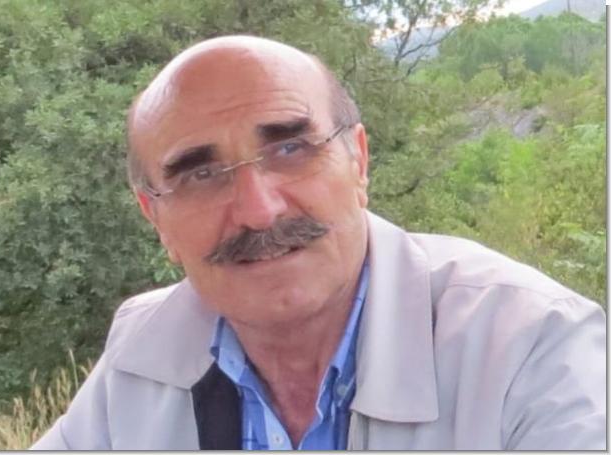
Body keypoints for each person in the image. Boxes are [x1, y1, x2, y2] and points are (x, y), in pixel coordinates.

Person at [30, 35, 605, 450]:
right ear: (155, 216)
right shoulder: (140, 352)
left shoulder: (531, 345)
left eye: (290, 149)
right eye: (201, 175)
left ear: (359, 161)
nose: (259, 210)